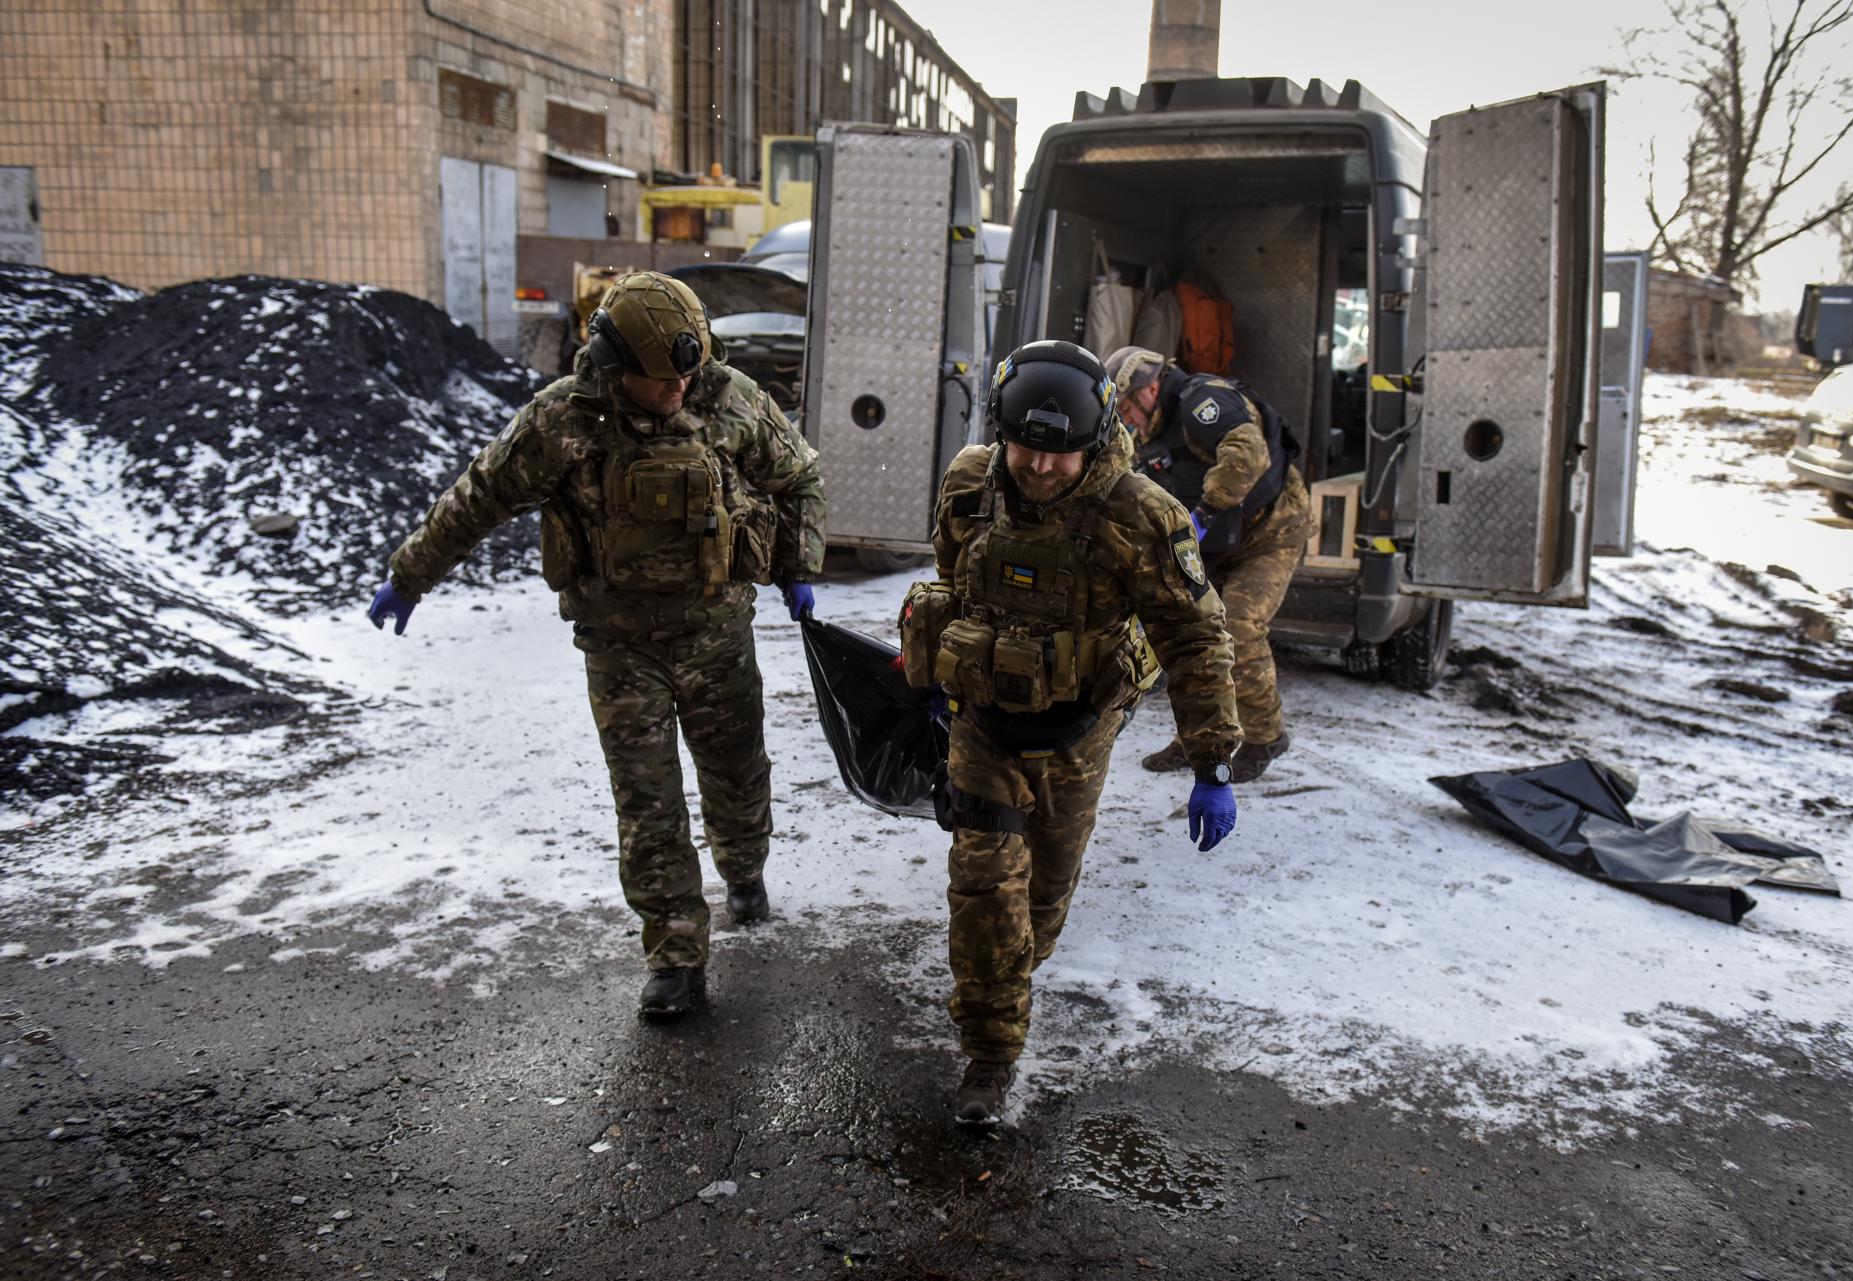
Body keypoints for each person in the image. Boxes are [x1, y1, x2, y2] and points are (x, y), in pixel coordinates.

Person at [367, 271, 826, 1018]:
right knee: (647, 804)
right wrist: (409, 576)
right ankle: (675, 953)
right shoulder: (563, 421)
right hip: (620, 648)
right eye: (662, 378)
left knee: (738, 776)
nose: (679, 387)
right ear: (616, 365)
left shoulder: (728, 398)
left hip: (717, 636)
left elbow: (800, 477)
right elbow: (478, 496)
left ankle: (745, 867)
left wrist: (797, 567)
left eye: (687, 373)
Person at [900, 339, 1241, 1126]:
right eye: (1027, 448)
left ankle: (1014, 970)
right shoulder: (970, 483)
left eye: (1062, 453)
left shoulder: (1140, 514)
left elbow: (1195, 637)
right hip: (983, 726)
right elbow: (953, 577)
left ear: (1097, 437)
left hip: (1078, 734)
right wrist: (939, 662)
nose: (1042, 466)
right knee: (984, 887)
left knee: (1043, 898)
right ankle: (990, 1054)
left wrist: (1212, 761)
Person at [1103, 346, 1312, 783]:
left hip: (1271, 530)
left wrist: (1206, 513)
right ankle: (1199, 739)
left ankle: (1265, 737)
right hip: (1215, 541)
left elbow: (1248, 452)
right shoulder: (1147, 432)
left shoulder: (1202, 402)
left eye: (1127, 407)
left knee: (1239, 626)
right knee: (1190, 631)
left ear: (1150, 389)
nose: (1126, 417)